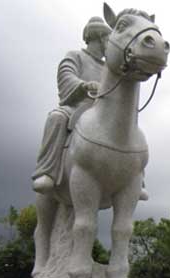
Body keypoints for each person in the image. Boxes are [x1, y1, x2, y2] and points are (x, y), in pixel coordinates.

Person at [32, 17, 112, 194]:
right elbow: (66, 74)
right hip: (78, 106)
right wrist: (83, 86)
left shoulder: (109, 67)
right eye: (109, 39)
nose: (110, 44)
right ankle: (47, 171)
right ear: (100, 38)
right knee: (56, 117)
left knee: (127, 127)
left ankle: (137, 177)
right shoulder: (76, 56)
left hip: (103, 112)